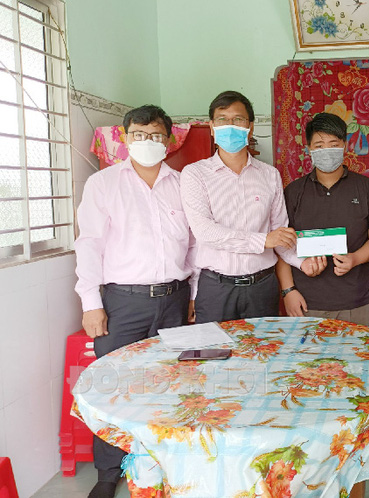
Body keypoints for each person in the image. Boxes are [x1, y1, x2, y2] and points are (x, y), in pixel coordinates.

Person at [74, 105, 198, 498]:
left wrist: (194, 294)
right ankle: (108, 473)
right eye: (139, 135)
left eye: (156, 135)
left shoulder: (183, 184)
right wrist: (90, 302)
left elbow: (194, 245)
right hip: (122, 302)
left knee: (173, 384)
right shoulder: (104, 184)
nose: (147, 142)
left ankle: (166, 465)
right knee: (114, 387)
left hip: (174, 299)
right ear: (125, 139)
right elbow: (89, 244)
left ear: (169, 140)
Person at [180, 91, 323, 323]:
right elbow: (205, 232)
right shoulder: (195, 174)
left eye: (238, 119)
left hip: (262, 288)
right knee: (216, 347)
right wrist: (263, 240)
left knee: (264, 346)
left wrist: (302, 262)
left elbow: (280, 235)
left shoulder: (270, 175)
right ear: (212, 127)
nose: (230, 126)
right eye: (222, 119)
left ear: (250, 127)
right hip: (217, 288)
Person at [277, 112, 369, 327]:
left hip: (358, 302)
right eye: (319, 145)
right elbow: (280, 244)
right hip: (306, 302)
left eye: (333, 144)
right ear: (309, 149)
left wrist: (355, 258)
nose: (326, 151)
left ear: (344, 145)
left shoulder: (367, 189)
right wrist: (288, 291)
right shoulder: (293, 192)